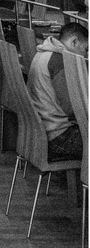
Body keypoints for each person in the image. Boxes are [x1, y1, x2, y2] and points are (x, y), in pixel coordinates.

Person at [27, 22, 88, 160]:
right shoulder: (59, 61)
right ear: (74, 41)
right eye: (86, 49)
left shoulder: (44, 53)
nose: (85, 56)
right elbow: (71, 108)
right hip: (58, 137)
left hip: (41, 133)